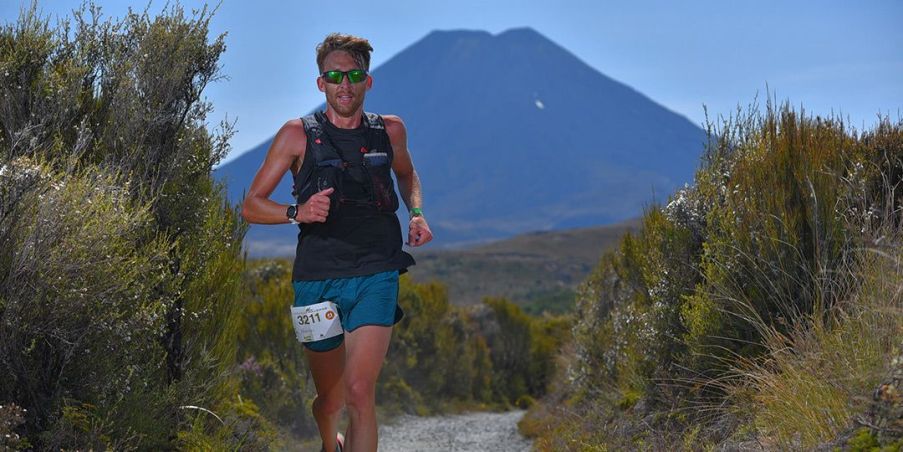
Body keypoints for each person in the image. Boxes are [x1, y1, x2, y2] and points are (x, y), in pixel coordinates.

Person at [241, 33, 432, 452]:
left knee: (360, 391)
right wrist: (297, 212)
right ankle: (332, 445)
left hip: (376, 272)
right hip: (316, 280)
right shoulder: (296, 135)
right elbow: (251, 205)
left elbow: (407, 174)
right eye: (334, 75)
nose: (344, 84)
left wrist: (416, 212)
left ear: (368, 80)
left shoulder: (391, 130)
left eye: (353, 75)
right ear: (320, 82)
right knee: (330, 401)